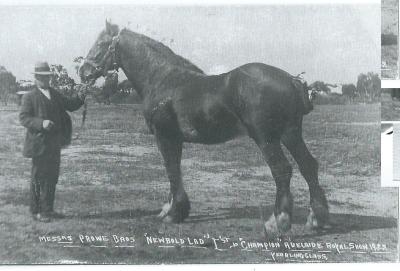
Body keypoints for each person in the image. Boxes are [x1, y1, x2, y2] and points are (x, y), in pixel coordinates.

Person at [19, 61, 85, 222]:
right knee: (38, 177)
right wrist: (41, 123)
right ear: (36, 78)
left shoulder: (55, 94)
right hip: (39, 144)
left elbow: (70, 104)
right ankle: (36, 211)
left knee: (52, 177)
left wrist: (81, 97)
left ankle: (48, 209)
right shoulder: (29, 96)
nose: (45, 80)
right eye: (42, 77)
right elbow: (24, 118)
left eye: (47, 77)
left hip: (54, 144)